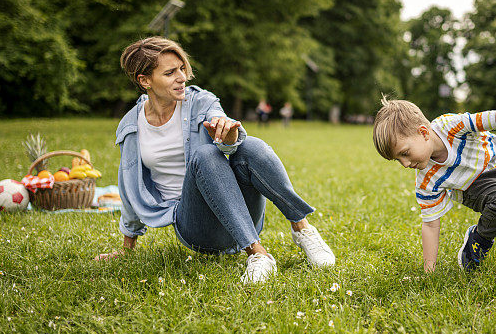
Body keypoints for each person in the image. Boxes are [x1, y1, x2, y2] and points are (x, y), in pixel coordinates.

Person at [95, 37, 335, 283]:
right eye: (169, 73)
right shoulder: (131, 127)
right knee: (204, 154)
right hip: (197, 226)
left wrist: (229, 136)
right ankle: (258, 254)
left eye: (181, 69)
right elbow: (130, 188)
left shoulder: (202, 101)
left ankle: (302, 228)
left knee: (251, 145)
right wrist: (127, 247)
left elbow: (222, 125)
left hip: (242, 213)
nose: (181, 77)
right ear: (145, 81)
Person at [372, 98, 496, 274]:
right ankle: (478, 240)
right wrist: (428, 270)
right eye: (398, 160)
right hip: (476, 187)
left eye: (404, 153)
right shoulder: (426, 179)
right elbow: (430, 224)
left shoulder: (452, 126)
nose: (405, 164)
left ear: (423, 133)